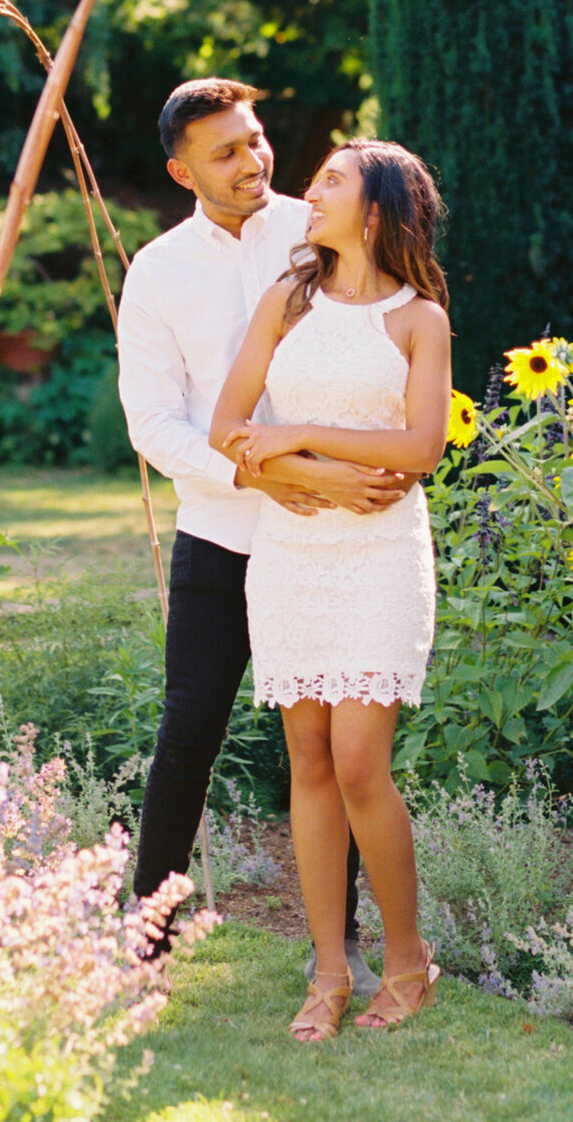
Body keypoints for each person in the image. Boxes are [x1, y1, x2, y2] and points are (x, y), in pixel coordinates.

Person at [118, 80, 408, 978]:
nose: (252, 162)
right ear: (181, 171)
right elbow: (153, 421)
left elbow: (394, 337)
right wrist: (262, 472)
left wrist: (337, 471)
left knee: (331, 750)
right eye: (225, 152)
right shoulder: (158, 272)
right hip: (223, 532)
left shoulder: (325, 225)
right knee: (190, 729)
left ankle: (347, 947)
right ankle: (147, 935)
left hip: (337, 539)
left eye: (255, 141)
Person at [209, 138, 451, 1040]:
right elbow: (232, 426)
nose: (309, 192)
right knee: (306, 757)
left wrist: (301, 434)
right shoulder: (287, 298)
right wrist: (307, 478)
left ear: (380, 210)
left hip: (382, 551)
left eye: (333, 182)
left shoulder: (419, 319)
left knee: (358, 760)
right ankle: (327, 971)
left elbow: (420, 449)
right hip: (293, 551)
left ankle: (407, 958)